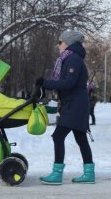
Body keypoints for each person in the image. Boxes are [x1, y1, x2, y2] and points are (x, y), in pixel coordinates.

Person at [35, 30, 95, 185]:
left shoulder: (73, 59)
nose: (58, 45)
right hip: (74, 103)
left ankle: (57, 174)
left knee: (58, 136)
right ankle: (89, 173)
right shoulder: (69, 58)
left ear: (68, 43)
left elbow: (69, 83)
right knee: (80, 138)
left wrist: (46, 84)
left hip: (75, 104)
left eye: (60, 42)